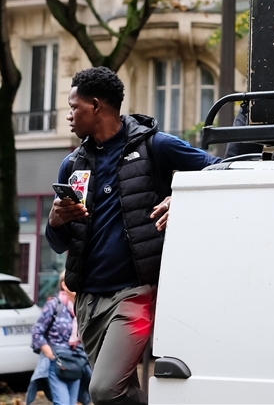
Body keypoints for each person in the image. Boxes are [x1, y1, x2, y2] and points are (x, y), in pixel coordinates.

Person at [46, 66, 219, 405]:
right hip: (88, 301)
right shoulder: (72, 165)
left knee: (102, 390)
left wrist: (182, 196)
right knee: (117, 393)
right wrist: (54, 222)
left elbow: (218, 166)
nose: (68, 116)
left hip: (134, 294)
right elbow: (60, 244)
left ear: (96, 106)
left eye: (73, 107)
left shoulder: (155, 146)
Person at [29, 271, 91, 405]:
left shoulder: (82, 308)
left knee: (72, 402)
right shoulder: (54, 305)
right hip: (57, 362)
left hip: (76, 362)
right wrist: (51, 355)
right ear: (64, 285)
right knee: (62, 402)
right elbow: (37, 332)